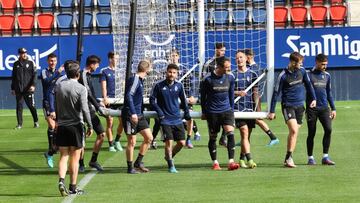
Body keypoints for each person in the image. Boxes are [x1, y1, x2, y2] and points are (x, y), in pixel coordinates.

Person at [268, 52, 317, 168]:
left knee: (294, 133)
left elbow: (309, 85)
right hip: (288, 105)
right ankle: (289, 158)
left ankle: (287, 157)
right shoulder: (283, 76)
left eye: (301, 63)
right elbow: (276, 94)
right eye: (299, 63)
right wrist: (272, 111)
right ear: (292, 62)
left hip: (300, 106)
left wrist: (314, 98)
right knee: (294, 130)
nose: (300, 65)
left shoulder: (303, 71)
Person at [56, 62, 93, 196]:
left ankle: (61, 180)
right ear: (78, 74)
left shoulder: (59, 86)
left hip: (62, 125)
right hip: (76, 126)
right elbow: (85, 108)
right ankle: (73, 187)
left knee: (63, 156)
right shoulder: (81, 88)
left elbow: (56, 106)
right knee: (75, 158)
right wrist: (90, 125)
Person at [150, 63, 191, 173]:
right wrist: (159, 112)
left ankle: (169, 157)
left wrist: (186, 112)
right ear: (166, 72)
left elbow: (183, 100)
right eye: (170, 72)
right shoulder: (158, 85)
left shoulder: (179, 85)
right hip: (165, 120)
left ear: (177, 74)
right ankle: (171, 166)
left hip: (177, 118)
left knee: (182, 142)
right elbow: (152, 100)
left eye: (174, 73)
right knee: (169, 143)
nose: (171, 74)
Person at [200, 56, 239, 171]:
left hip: (226, 111)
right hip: (213, 112)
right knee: (213, 137)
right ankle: (215, 162)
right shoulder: (207, 79)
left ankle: (231, 162)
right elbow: (203, 97)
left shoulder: (230, 77)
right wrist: (204, 112)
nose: (228, 70)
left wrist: (231, 109)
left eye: (229, 67)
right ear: (219, 67)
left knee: (230, 133)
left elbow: (231, 95)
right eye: (226, 68)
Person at [122, 60, 153, 174]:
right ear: (146, 69)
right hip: (131, 115)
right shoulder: (135, 80)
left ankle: (138, 162)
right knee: (132, 142)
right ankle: (130, 168)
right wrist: (133, 113)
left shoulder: (140, 80)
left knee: (149, 138)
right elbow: (129, 95)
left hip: (139, 114)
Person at [244, 49, 279, 146]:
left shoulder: (255, 68)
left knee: (256, 118)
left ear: (249, 56)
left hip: (254, 97)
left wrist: (257, 104)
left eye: (244, 56)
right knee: (249, 120)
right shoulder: (247, 67)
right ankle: (246, 139)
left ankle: (273, 137)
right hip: (248, 98)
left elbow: (255, 88)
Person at [78, 55, 107, 172]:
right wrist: (98, 107)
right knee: (81, 139)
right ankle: (81, 164)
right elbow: (88, 94)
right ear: (91, 64)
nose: (98, 66)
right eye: (97, 64)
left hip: (89, 108)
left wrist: (99, 102)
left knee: (101, 134)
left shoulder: (88, 75)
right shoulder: (83, 74)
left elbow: (92, 94)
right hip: (81, 110)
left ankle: (93, 160)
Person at [306, 54, 336, 165]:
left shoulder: (327, 75)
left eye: (326, 64)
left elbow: (329, 93)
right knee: (311, 133)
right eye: (322, 64)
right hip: (312, 109)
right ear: (317, 62)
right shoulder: (308, 75)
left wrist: (333, 108)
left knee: (328, 129)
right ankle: (310, 157)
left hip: (324, 108)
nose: (324, 66)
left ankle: (325, 157)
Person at [169, 48, 201, 148]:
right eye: (172, 56)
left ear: (178, 57)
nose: (173, 58)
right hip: (172, 99)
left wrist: (191, 95)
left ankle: (188, 139)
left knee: (189, 117)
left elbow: (190, 84)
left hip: (184, 98)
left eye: (175, 55)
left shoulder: (184, 69)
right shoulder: (167, 70)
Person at [233, 50, 258, 169]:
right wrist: (238, 93)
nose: (239, 60)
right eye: (237, 58)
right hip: (238, 110)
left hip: (249, 109)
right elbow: (228, 92)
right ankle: (250, 159)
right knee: (244, 131)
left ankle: (241, 159)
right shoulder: (232, 75)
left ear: (246, 59)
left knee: (247, 137)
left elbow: (255, 92)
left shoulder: (253, 74)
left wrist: (257, 110)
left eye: (241, 57)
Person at [40, 53, 64, 168]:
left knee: (58, 128)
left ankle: (50, 152)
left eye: (54, 60)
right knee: (52, 125)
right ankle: (51, 149)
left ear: (57, 61)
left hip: (58, 102)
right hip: (47, 103)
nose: (52, 62)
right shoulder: (44, 71)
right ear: (47, 61)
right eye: (50, 61)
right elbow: (46, 82)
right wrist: (58, 73)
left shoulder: (60, 74)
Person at [202, 42, 228, 147]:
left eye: (224, 51)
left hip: (223, 94)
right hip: (211, 98)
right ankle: (212, 141)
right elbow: (203, 79)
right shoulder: (209, 63)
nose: (223, 52)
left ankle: (224, 137)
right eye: (221, 50)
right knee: (213, 124)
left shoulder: (226, 62)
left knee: (228, 118)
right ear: (216, 50)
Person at [100, 51, 124, 152]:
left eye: (118, 58)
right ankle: (110, 144)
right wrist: (105, 98)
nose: (117, 60)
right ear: (110, 59)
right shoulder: (104, 71)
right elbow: (104, 86)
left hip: (119, 99)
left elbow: (123, 85)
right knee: (110, 122)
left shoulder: (121, 71)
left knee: (123, 121)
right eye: (115, 58)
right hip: (109, 100)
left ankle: (117, 140)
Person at [11, 48, 39, 129]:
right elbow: (13, 77)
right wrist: (12, 88)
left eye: (25, 53)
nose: (24, 54)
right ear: (19, 54)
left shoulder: (30, 63)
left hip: (28, 89)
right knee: (19, 107)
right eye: (22, 53)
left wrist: (33, 85)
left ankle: (36, 121)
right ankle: (19, 124)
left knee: (31, 106)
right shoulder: (16, 64)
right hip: (19, 89)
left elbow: (35, 75)